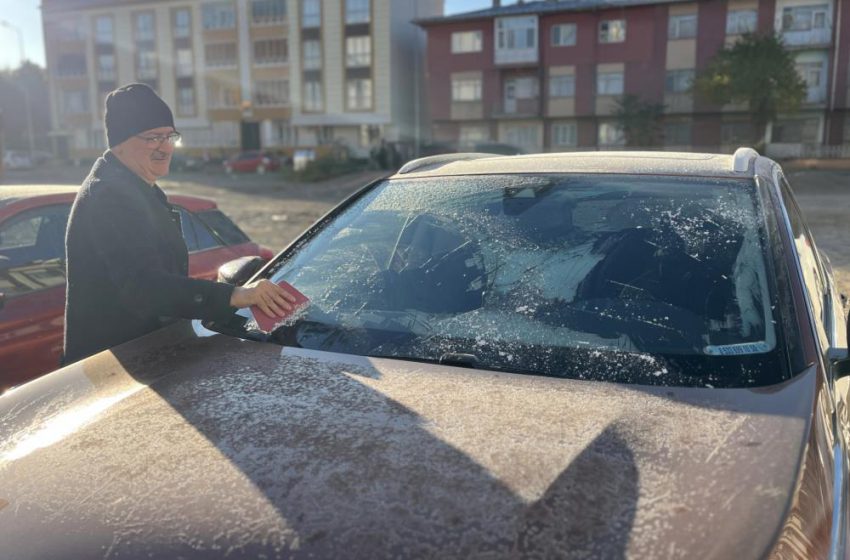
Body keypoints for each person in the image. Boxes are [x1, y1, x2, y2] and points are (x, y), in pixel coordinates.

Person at [64, 83, 294, 364]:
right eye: (153, 138)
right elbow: (144, 287)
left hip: (141, 355)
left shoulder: (138, 186)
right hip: (115, 368)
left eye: (170, 136)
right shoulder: (110, 195)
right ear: (120, 143)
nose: (165, 147)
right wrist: (236, 295)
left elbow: (160, 275)